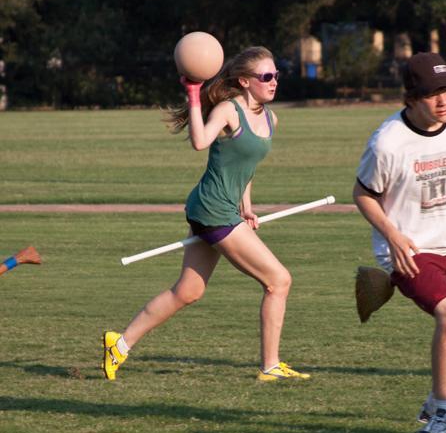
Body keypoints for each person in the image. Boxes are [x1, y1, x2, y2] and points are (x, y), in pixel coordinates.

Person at [102, 46, 309, 383]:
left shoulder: (271, 118)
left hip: (220, 209)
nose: (274, 82)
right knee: (278, 281)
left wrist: (247, 208)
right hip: (213, 210)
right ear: (244, 81)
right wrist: (193, 94)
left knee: (188, 292)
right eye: (266, 77)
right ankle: (270, 366)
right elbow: (200, 142)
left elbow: (245, 167)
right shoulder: (229, 110)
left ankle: (120, 344)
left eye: (276, 76)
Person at [353, 52, 446, 433]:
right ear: (411, 98)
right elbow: (362, 194)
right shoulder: (387, 143)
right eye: (432, 94)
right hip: (409, 251)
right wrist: (392, 236)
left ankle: (437, 402)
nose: (443, 100)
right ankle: (442, 418)